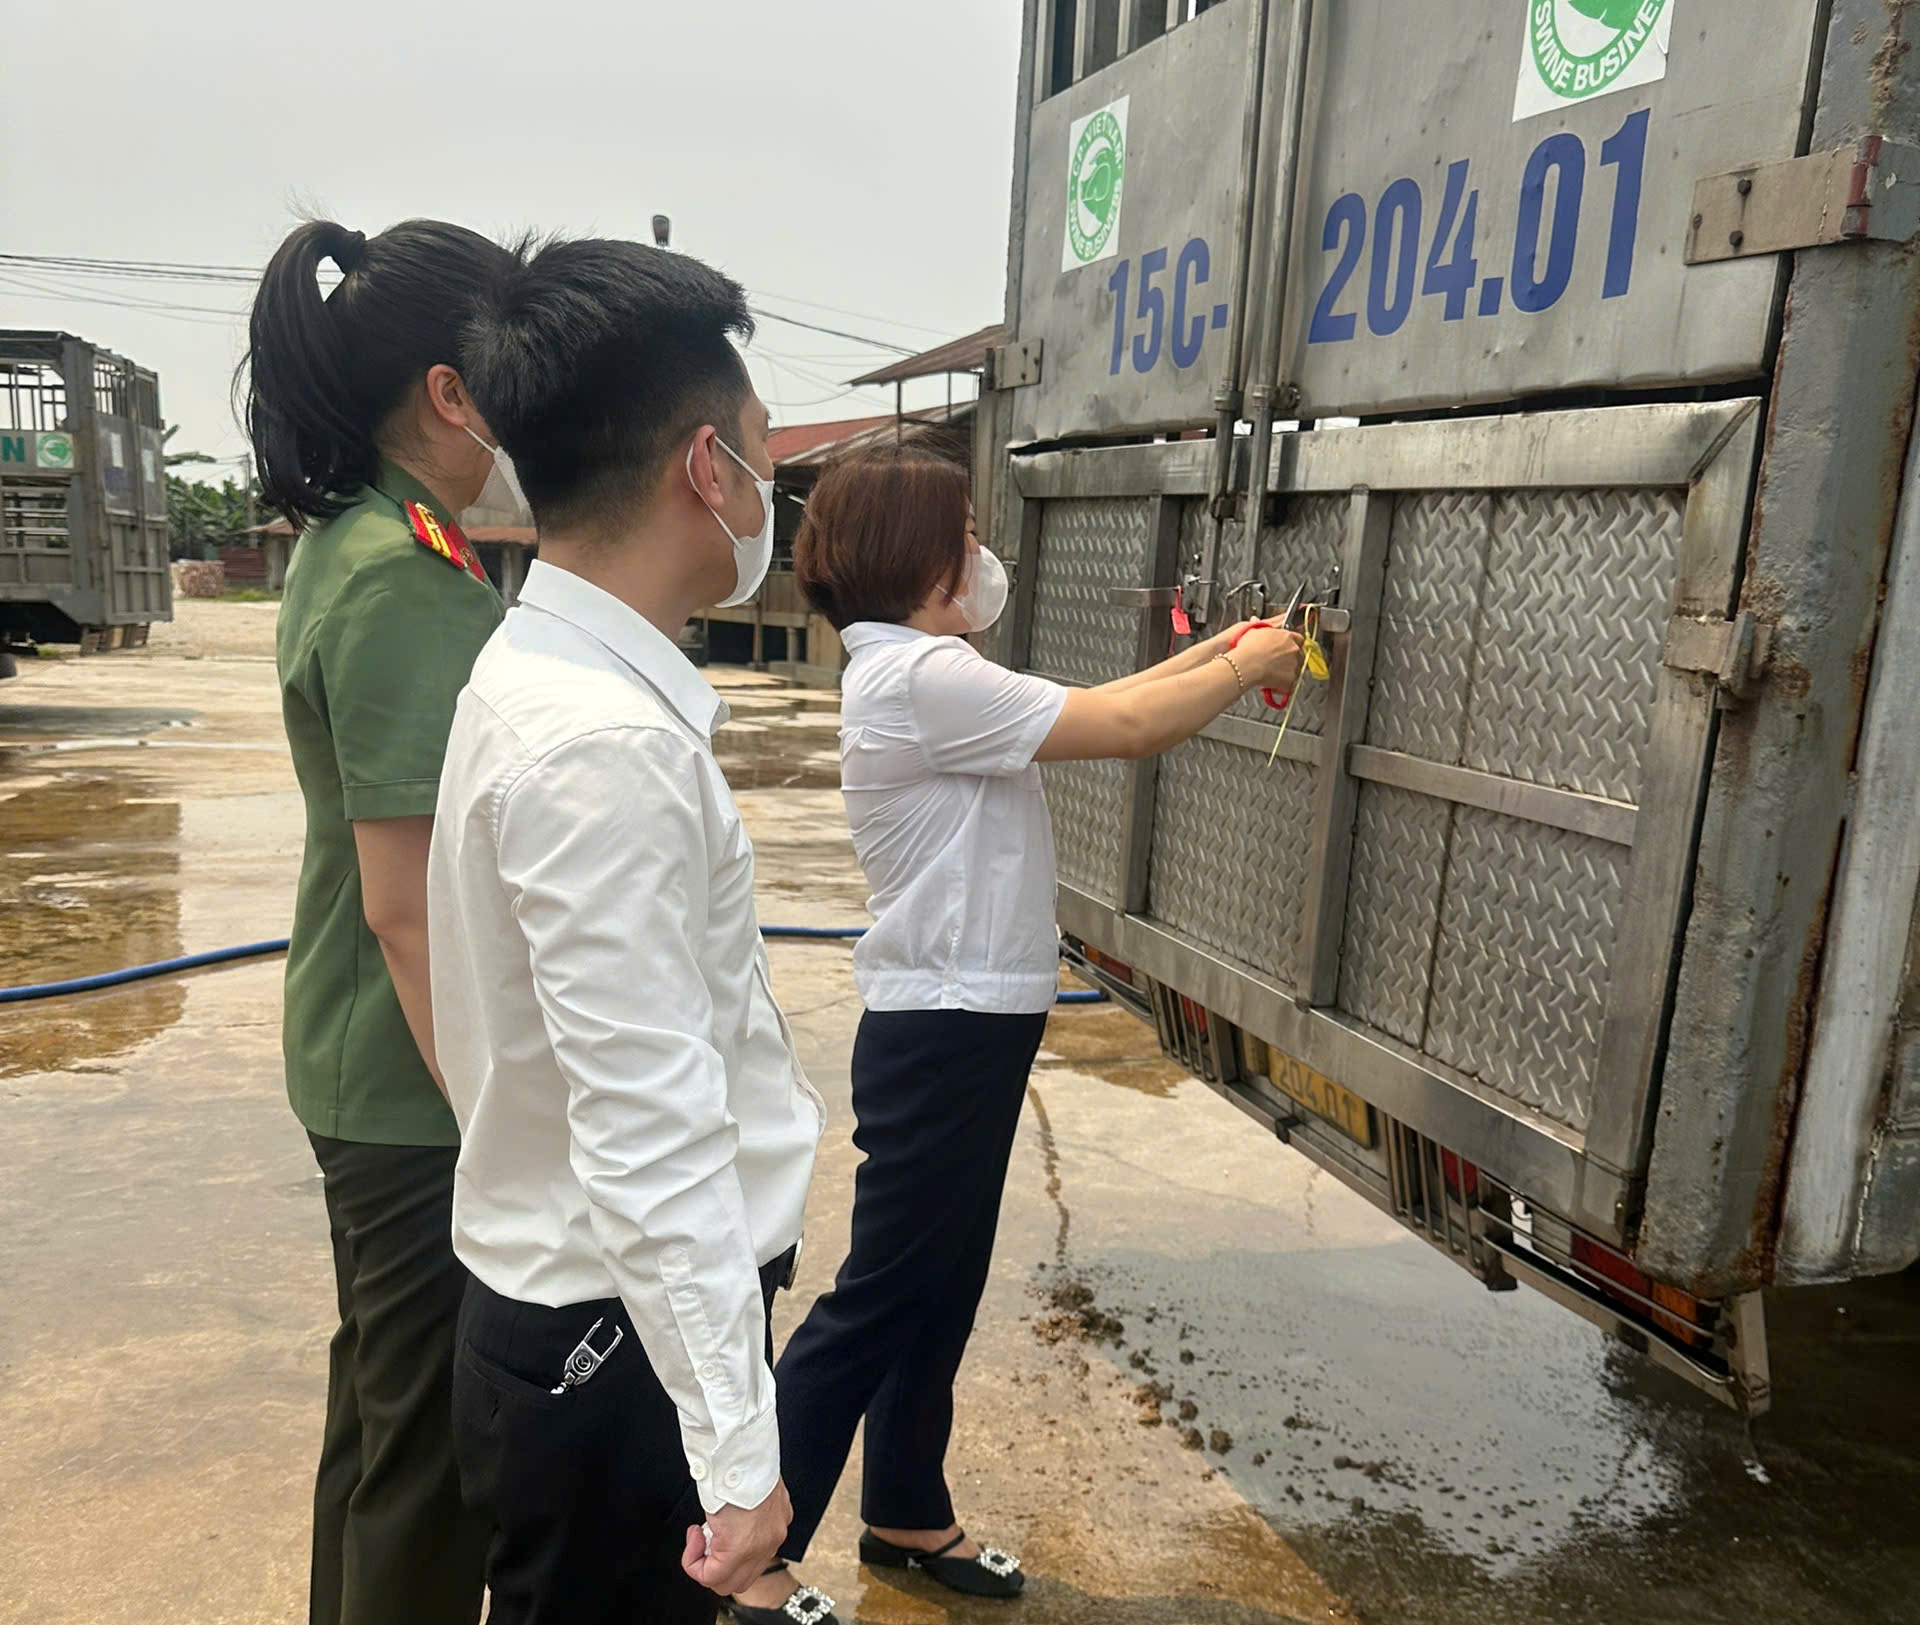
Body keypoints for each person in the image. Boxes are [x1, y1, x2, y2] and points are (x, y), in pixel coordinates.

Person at [733, 438, 1303, 1621]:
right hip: (940, 1027)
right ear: (921, 556)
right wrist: (1254, 665)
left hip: (968, 1021)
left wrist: (1234, 646)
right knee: (881, 1294)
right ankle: (747, 1557)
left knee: (940, 1282)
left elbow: (1131, 697)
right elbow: (1131, 723)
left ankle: (903, 1505)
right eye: (966, 532)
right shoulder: (920, 680)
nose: (980, 554)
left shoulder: (921, 668)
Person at [428, 238, 824, 1625]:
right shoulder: (599, 745)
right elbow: (648, 1136)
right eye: (767, 456)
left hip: (586, 1328)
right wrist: (736, 1451)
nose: (772, 494)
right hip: (613, 1353)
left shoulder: (547, 673)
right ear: (706, 468)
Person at [245, 217, 527, 1625]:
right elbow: (409, 908)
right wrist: (502, 1117)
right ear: (448, 390)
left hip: (364, 1058)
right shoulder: (403, 577)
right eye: (506, 351)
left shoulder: (366, 537)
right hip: (414, 1085)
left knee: (380, 1415)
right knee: (429, 1458)